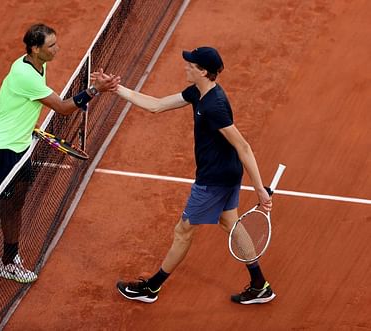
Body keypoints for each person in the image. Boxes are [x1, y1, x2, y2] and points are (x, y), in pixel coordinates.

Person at [103, 46, 275, 304]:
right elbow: (156, 105)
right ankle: (260, 284)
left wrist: (259, 189)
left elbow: (243, 146)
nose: (186, 67)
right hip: (226, 173)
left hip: (214, 178)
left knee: (183, 231)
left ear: (203, 71)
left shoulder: (214, 105)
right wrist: (115, 88)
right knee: (230, 223)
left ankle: (151, 288)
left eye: (191, 65)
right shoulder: (198, 93)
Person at [0, 23, 120, 291]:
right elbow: (61, 108)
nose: (57, 49)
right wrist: (95, 90)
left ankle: (9, 259)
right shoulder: (24, 74)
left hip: (22, 146)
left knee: (15, 205)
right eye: (51, 46)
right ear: (35, 49)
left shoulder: (39, 64)